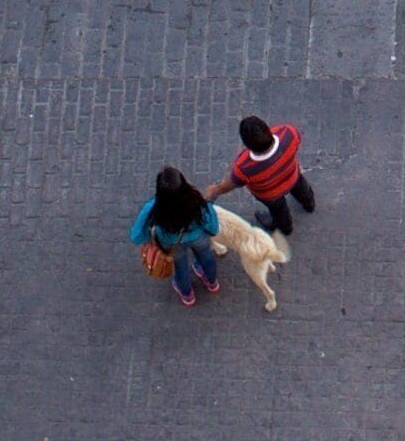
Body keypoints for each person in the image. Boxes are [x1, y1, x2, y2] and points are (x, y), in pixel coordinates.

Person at [210, 114, 318, 237]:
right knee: (302, 189)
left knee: (279, 211)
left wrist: (214, 191)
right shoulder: (288, 133)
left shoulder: (244, 166)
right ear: (268, 129)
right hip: (292, 176)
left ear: (247, 145)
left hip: (270, 194)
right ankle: (309, 204)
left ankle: (286, 227)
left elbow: (229, 185)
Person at [130, 164, 222, 306]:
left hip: (170, 242)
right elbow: (211, 221)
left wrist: (148, 240)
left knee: (180, 267)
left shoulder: (153, 207)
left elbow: (136, 235)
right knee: (206, 257)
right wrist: (212, 231)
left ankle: (187, 295)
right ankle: (212, 282)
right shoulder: (196, 200)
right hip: (198, 237)